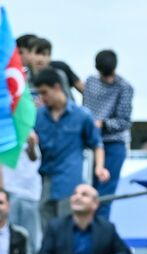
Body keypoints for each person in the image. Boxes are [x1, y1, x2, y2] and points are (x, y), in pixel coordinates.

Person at [32, 69, 107, 227]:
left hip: (70, 181)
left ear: (57, 87)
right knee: (47, 230)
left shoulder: (82, 115)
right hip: (46, 182)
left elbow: (97, 144)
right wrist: (31, 145)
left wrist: (99, 167)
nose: (42, 98)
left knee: (68, 229)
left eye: (45, 93)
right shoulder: (39, 117)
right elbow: (32, 156)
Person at [82, 50, 134, 218]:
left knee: (105, 193)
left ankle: (99, 232)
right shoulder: (91, 83)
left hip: (113, 143)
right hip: (92, 143)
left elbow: (124, 121)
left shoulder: (125, 87)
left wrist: (103, 124)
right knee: (87, 190)